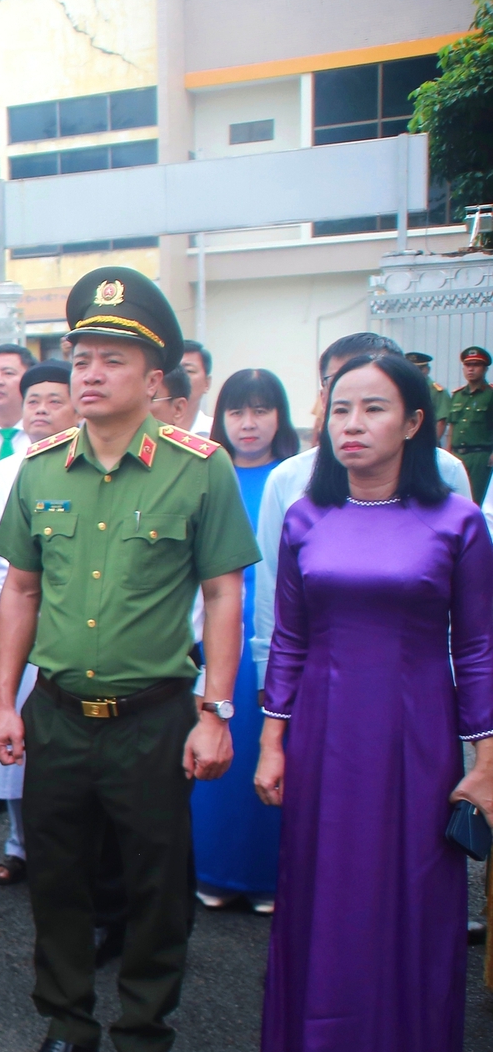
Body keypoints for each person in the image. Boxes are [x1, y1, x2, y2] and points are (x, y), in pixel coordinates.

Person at [0, 267, 260, 1052]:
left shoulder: (198, 470)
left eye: (112, 358)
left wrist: (216, 712)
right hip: (59, 712)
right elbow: (21, 591)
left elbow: (223, 593)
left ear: (155, 378)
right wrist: (3, 703)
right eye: (81, 357)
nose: (91, 373)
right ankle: (67, 1028)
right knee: (57, 880)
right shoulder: (39, 471)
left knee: (155, 884)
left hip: (154, 717)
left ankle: (144, 1038)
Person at [255, 353, 493, 1052]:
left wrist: (484, 760)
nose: (351, 426)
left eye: (373, 410)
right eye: (341, 410)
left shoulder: (458, 522)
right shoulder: (305, 520)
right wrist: (273, 739)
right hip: (322, 735)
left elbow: (483, 648)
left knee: (411, 913)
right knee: (322, 906)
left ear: (416, 423)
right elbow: (289, 638)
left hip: (419, 738)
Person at [248, 333, 475, 685]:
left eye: (373, 403)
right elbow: (271, 589)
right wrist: (269, 678)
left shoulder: (446, 475)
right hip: (319, 679)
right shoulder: (289, 481)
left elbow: (468, 611)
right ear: (324, 397)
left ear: (410, 415)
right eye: (339, 393)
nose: (354, 420)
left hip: (420, 679)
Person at [192, 370, 299, 912]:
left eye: (261, 410)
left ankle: (267, 877)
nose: (248, 423)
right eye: (237, 412)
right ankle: (213, 869)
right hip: (215, 638)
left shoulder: (300, 478)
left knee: (271, 757)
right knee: (215, 760)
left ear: (280, 417)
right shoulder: (207, 474)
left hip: (277, 643)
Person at [0, 362, 78, 893]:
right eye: (33, 400)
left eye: (52, 400)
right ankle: (19, 844)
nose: (40, 410)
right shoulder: (4, 471)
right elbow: (0, 568)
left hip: (68, 631)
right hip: (16, 625)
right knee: (12, 746)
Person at [444, 345, 492, 502]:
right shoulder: (457, 395)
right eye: (468, 365)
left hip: (480, 457)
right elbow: (452, 427)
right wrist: (449, 452)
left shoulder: (490, 395)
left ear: (485, 369)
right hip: (458, 455)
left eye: (476, 365)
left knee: (476, 500)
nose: (471, 369)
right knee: (454, 499)